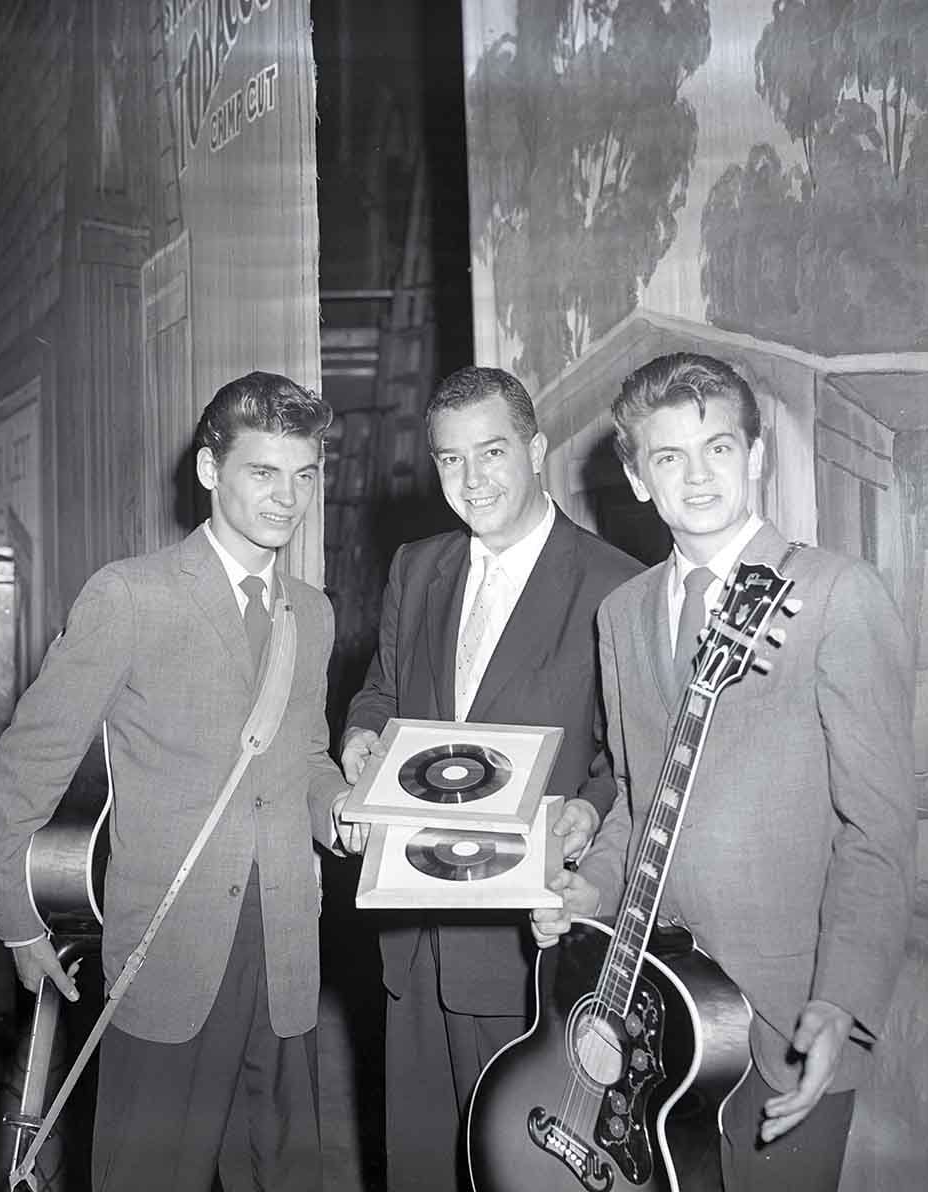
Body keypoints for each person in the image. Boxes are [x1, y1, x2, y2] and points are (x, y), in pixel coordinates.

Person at [531, 352, 916, 1191]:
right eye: (668, 456)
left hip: (787, 1021)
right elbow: (639, 794)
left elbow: (877, 829)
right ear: (637, 478)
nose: (696, 475)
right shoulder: (621, 613)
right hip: (656, 1021)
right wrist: (588, 890)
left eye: (718, 448)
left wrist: (840, 1004)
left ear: (757, 455)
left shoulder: (837, 595)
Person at [0, 371, 351, 1192]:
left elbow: (307, 758)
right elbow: (26, 762)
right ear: (210, 471)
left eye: (305, 474)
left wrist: (342, 809)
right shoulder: (131, 595)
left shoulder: (313, 611)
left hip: (287, 946)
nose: (288, 498)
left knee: (284, 1175)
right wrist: (20, 921)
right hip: (171, 945)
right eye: (264, 472)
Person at [337, 365, 642, 1192]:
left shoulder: (615, 585)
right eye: (448, 460)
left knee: (516, 1175)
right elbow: (382, 691)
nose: (471, 480)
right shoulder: (417, 567)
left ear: (536, 450)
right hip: (411, 935)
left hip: (524, 953)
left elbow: (629, 761)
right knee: (420, 1169)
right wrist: (362, 738)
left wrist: (588, 807)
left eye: (492, 452)